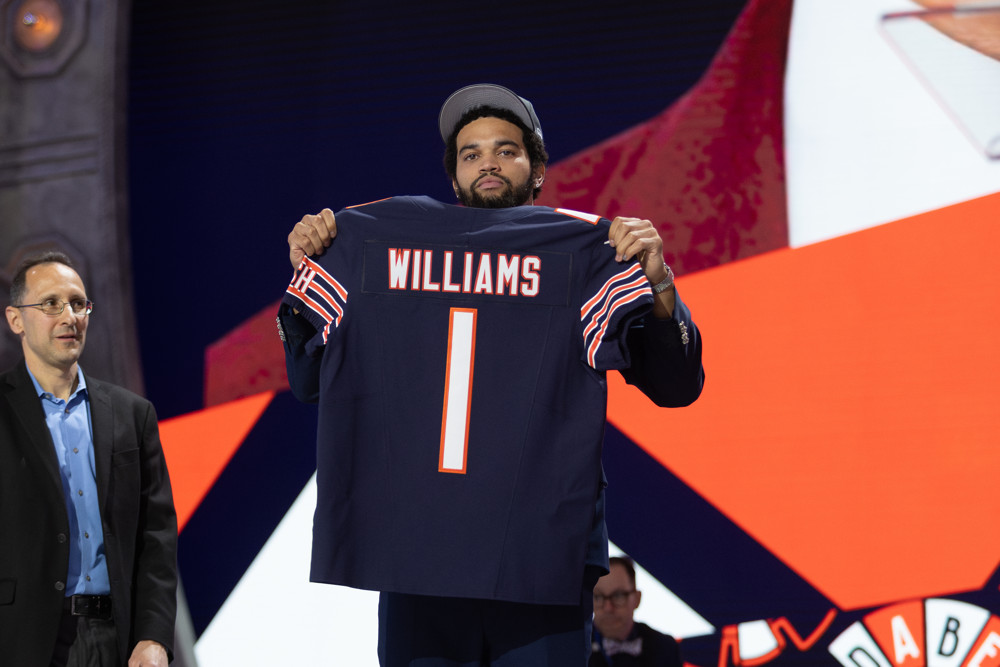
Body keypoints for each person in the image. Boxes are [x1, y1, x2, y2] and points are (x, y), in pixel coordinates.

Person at [278, 83, 704, 666]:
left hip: (542, 555)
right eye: (471, 153)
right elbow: (310, 385)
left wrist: (658, 286)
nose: (488, 163)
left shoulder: (584, 254)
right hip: (417, 554)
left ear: (538, 169)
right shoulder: (369, 242)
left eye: (507, 150)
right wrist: (312, 273)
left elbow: (677, 386)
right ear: (453, 177)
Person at [0, 252, 178, 667]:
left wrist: (153, 637)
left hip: (117, 641)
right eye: (51, 304)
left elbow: (157, 538)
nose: (69, 316)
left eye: (78, 303)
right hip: (20, 641)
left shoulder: (133, 414)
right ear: (16, 320)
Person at [590, 556, 682, 667]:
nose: (608, 608)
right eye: (598, 597)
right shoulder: (573, 647)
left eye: (618, 596)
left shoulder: (664, 648)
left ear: (637, 599)